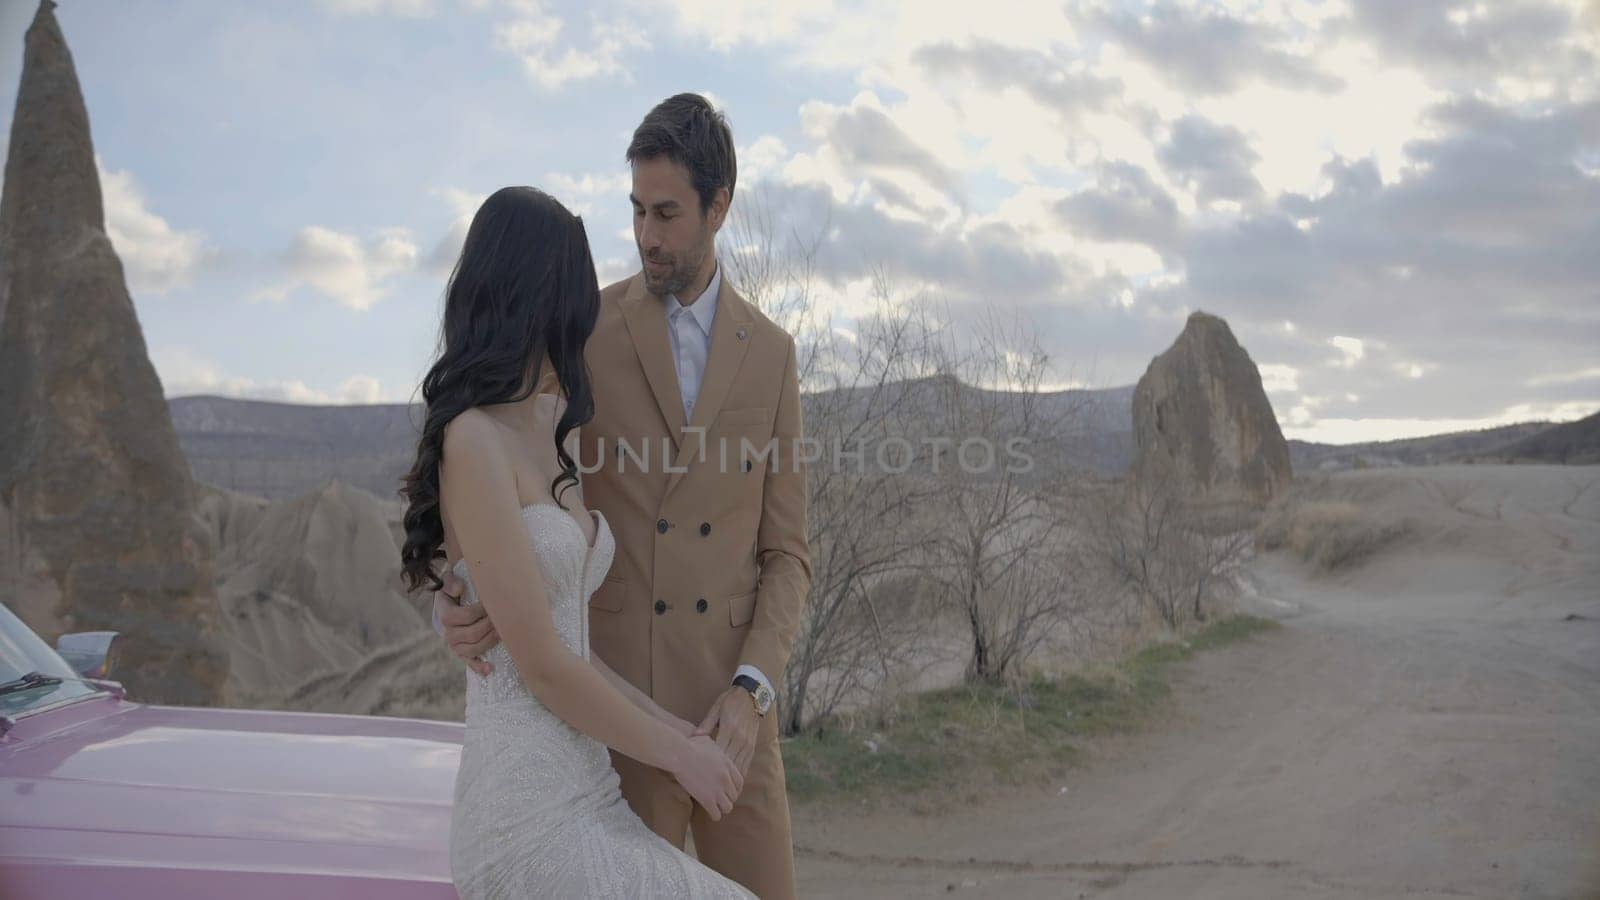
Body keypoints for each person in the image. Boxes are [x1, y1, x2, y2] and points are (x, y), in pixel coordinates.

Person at [434, 94, 811, 899]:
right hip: (609, 723)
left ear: (720, 206)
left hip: (731, 719)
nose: (647, 235)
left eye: (668, 213)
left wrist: (753, 693)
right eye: (637, 210)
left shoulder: (774, 356)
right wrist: (456, 586)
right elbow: (496, 472)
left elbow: (788, 556)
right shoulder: (580, 332)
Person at [399, 185, 755, 898]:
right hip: (523, 818)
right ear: (535, 293)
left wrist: (683, 737)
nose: (583, 306)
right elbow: (543, 667)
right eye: (573, 284)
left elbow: (575, 647)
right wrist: (678, 760)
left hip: (589, 792)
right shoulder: (472, 439)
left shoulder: (555, 435)